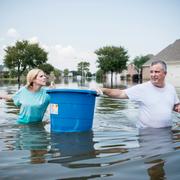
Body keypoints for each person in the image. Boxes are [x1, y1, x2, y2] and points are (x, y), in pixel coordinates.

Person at [97, 60, 180, 128]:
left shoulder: (171, 89)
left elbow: (175, 106)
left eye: (157, 72)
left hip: (166, 133)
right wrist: (103, 90)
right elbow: (120, 93)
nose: (153, 75)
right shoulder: (142, 88)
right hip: (146, 134)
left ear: (165, 73)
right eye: (151, 72)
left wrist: (177, 107)